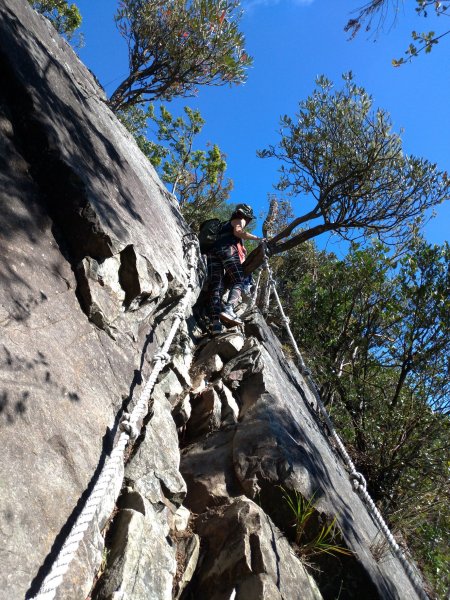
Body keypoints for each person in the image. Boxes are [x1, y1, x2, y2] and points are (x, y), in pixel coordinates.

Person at [206, 204, 265, 335]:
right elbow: (238, 231)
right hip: (226, 249)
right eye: (249, 219)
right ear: (247, 215)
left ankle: (216, 324)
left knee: (216, 286)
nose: (248, 221)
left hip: (212, 253)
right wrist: (257, 238)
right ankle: (229, 309)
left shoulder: (224, 225)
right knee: (238, 280)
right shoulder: (240, 219)